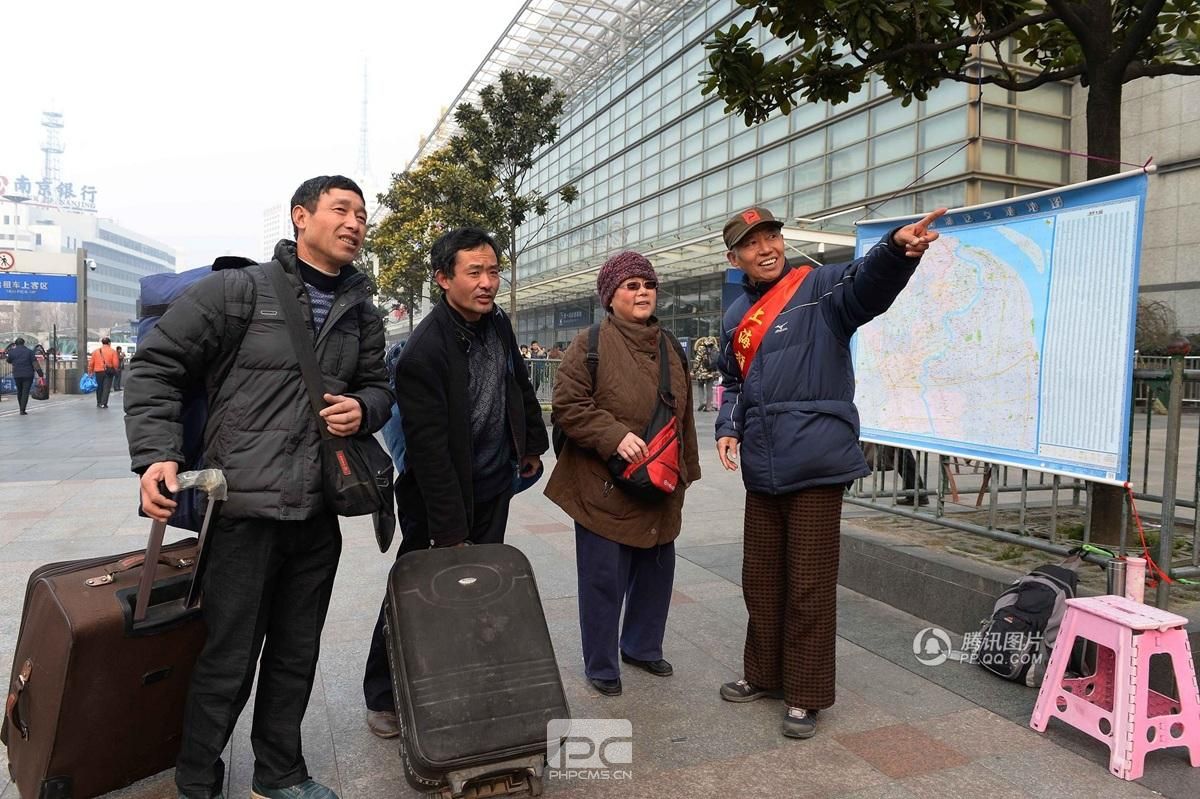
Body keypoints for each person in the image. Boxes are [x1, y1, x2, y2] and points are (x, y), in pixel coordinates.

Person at [125, 175, 392, 799]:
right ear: (301, 216)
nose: (355, 222)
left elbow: (381, 388)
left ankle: (280, 773)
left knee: (297, 654)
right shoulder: (238, 291)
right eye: (340, 209)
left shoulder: (362, 312)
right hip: (242, 507)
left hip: (318, 509)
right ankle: (197, 779)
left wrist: (364, 407)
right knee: (229, 656)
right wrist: (156, 457)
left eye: (361, 213)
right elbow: (158, 366)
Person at [714, 205, 944, 739]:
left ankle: (806, 694)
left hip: (816, 460)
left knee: (809, 583)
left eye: (772, 235)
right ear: (736, 257)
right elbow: (732, 380)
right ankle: (764, 675)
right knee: (761, 576)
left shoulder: (819, 286)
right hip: (762, 463)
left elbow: (869, 288)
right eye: (753, 242)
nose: (767, 247)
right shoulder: (733, 319)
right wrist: (728, 425)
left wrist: (894, 250)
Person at [361, 226, 548, 738]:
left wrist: (530, 444)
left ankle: (469, 680)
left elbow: (517, 383)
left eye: (492, 271)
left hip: (491, 484)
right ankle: (382, 694)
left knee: (485, 591)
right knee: (415, 592)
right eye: (474, 273)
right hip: (438, 498)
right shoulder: (425, 350)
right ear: (444, 279)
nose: (487, 282)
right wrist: (449, 529)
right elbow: (428, 451)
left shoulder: (497, 322)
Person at [546, 251, 701, 697]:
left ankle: (641, 645)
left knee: (656, 569)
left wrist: (685, 471)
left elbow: (683, 416)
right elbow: (569, 407)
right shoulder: (589, 344)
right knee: (603, 579)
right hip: (604, 485)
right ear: (610, 297)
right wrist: (614, 436)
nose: (642, 292)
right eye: (630, 286)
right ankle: (601, 663)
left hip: (661, 481)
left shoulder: (670, 344)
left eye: (648, 285)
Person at [5, 338, 44, 415]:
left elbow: (8, 360)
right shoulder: (29, 352)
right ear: (24, 343)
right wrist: (40, 374)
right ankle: (22, 409)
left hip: (17, 374)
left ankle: (21, 408)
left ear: (15, 344)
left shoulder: (12, 352)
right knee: (25, 392)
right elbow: (35, 363)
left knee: (19, 391)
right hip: (28, 375)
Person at [88, 337, 120, 408]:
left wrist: (90, 371)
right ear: (109, 343)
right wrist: (115, 369)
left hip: (98, 371)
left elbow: (91, 363)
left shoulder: (96, 351)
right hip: (108, 371)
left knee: (99, 387)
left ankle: (99, 402)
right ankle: (104, 403)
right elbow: (116, 364)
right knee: (106, 388)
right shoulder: (113, 351)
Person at [691, 335, 720, 412]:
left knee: (700, 387)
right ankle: (708, 406)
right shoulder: (715, 348)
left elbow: (697, 360)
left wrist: (693, 370)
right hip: (711, 372)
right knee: (709, 389)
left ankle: (702, 402)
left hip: (701, 373)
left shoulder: (701, 348)